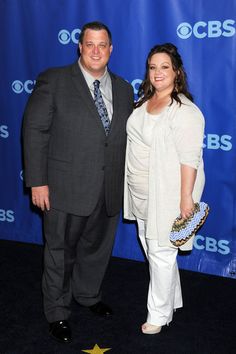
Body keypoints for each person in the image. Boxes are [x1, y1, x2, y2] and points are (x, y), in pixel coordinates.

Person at [23, 21, 134, 343]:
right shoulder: (54, 80)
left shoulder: (125, 89)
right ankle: (57, 312)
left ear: (111, 49)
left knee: (96, 250)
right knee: (59, 252)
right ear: (80, 48)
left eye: (102, 45)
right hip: (64, 187)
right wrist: (38, 182)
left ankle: (88, 295)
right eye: (90, 44)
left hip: (109, 187)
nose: (96, 50)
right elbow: (35, 131)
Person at [124, 43, 205, 334]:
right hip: (140, 192)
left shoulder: (184, 111)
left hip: (167, 194)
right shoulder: (143, 103)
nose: (158, 72)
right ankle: (171, 300)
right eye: (152, 67)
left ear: (177, 72)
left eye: (165, 67)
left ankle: (158, 315)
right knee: (152, 249)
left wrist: (186, 199)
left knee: (161, 253)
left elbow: (190, 158)